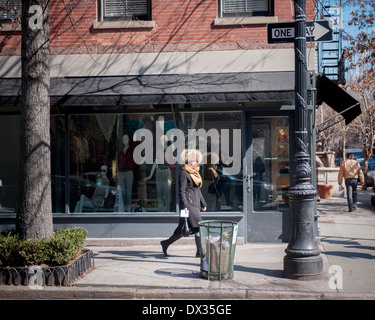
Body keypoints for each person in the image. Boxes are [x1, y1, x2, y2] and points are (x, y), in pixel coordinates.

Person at [161, 149, 207, 257]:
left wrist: (203, 203)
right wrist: (185, 206)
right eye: (193, 161)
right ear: (188, 161)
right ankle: (199, 252)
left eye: (196, 161)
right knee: (200, 226)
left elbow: (197, 190)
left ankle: (166, 243)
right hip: (188, 205)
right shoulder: (184, 173)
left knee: (182, 230)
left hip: (195, 205)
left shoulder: (195, 173)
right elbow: (181, 191)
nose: (196, 162)